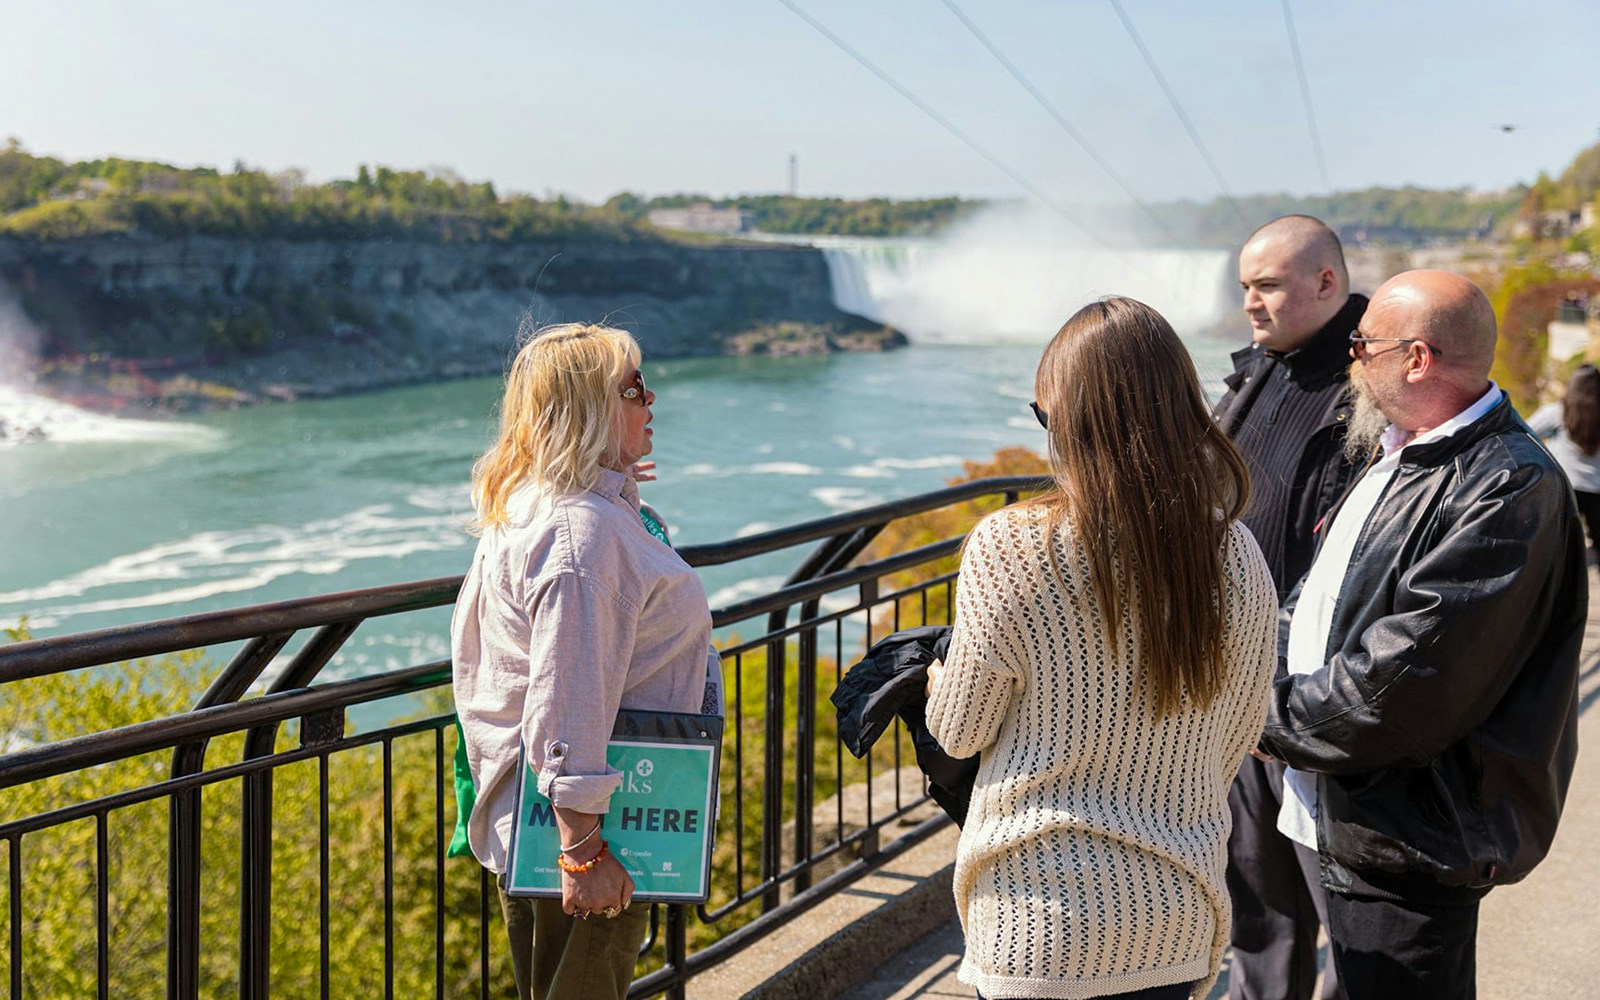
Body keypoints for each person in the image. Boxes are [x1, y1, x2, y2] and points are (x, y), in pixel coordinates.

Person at [927, 297, 1279, 1000]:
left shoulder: (1012, 546)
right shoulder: (1237, 554)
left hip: (1037, 923)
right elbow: (1236, 736)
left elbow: (958, 733)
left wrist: (940, 681)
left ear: (1074, 424)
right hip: (1173, 918)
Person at [1258, 271, 1587, 998]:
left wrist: (1251, 714)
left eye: (1361, 344)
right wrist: (1257, 670)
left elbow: (1402, 688)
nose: (1351, 360)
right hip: (1350, 813)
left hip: (1410, 837)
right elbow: (1320, 604)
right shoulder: (1406, 452)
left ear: (1417, 358)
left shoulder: (1503, 486)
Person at [450, 322, 721, 1000]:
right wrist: (582, 852)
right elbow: (567, 695)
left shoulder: (555, 508)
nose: (651, 399)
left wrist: (619, 482)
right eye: (633, 389)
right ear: (588, 409)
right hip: (589, 830)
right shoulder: (580, 538)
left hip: (584, 816)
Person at [1216, 215, 1368, 1000]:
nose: (1251, 302)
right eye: (1246, 286)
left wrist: (1288, 700)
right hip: (1241, 692)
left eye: (1267, 285)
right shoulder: (1257, 371)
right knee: (1260, 909)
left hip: (1313, 703)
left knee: (1341, 917)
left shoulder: (1374, 384)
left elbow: (1361, 562)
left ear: (1327, 283)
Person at [1527, 363, 1600, 557]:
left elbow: (1524, 433)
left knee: (1560, 546)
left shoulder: (1557, 412)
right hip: (1597, 488)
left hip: (1565, 487)